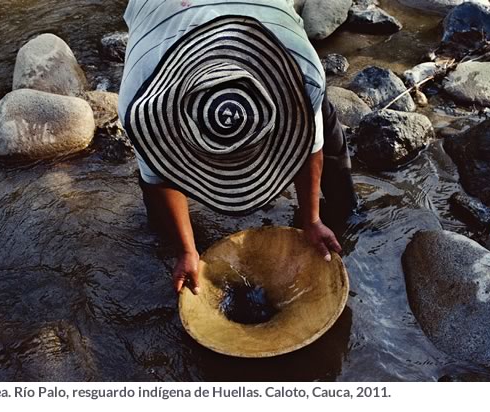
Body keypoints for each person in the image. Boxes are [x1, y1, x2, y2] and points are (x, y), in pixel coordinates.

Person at [118, 0, 358, 295]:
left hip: (262, 14)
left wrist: (312, 220)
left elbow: (312, 147)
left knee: (333, 167)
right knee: (163, 220)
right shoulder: (143, 104)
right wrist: (187, 250)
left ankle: (342, 210)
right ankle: (176, 240)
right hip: (161, 11)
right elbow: (159, 179)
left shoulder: (300, 70)